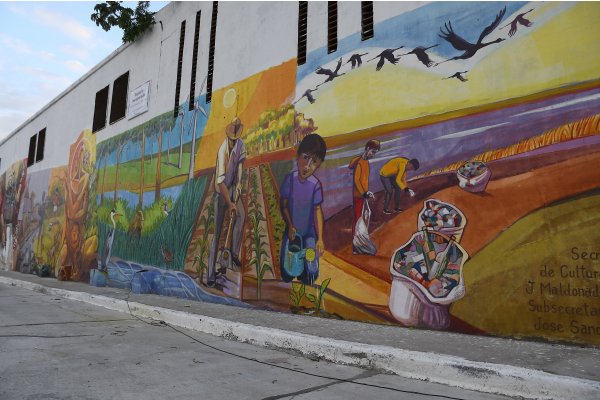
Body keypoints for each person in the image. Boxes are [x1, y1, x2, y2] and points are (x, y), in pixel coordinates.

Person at [279, 134, 327, 285]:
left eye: (314, 163)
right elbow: (283, 205)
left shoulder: (315, 185)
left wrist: (320, 238)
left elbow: (317, 210)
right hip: (292, 233)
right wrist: (290, 225)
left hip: (308, 235)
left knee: (311, 274)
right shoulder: (290, 180)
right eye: (305, 158)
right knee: (287, 273)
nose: (307, 166)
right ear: (298, 156)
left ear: (318, 165)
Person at [207, 117, 247, 287]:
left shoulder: (241, 145)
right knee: (217, 234)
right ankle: (210, 275)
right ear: (228, 136)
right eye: (232, 139)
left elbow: (239, 166)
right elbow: (219, 182)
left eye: (235, 139)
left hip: (231, 188)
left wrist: (239, 184)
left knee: (241, 215)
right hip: (220, 192)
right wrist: (230, 204)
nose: (233, 142)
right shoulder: (222, 150)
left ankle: (232, 255)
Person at [348, 140, 380, 237]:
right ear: (367, 149)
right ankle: (356, 239)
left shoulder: (366, 162)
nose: (373, 155)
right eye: (373, 152)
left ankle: (360, 237)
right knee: (358, 217)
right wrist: (364, 193)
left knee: (363, 216)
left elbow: (363, 180)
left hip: (363, 194)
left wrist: (367, 192)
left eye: (375, 153)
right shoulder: (360, 162)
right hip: (358, 195)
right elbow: (357, 180)